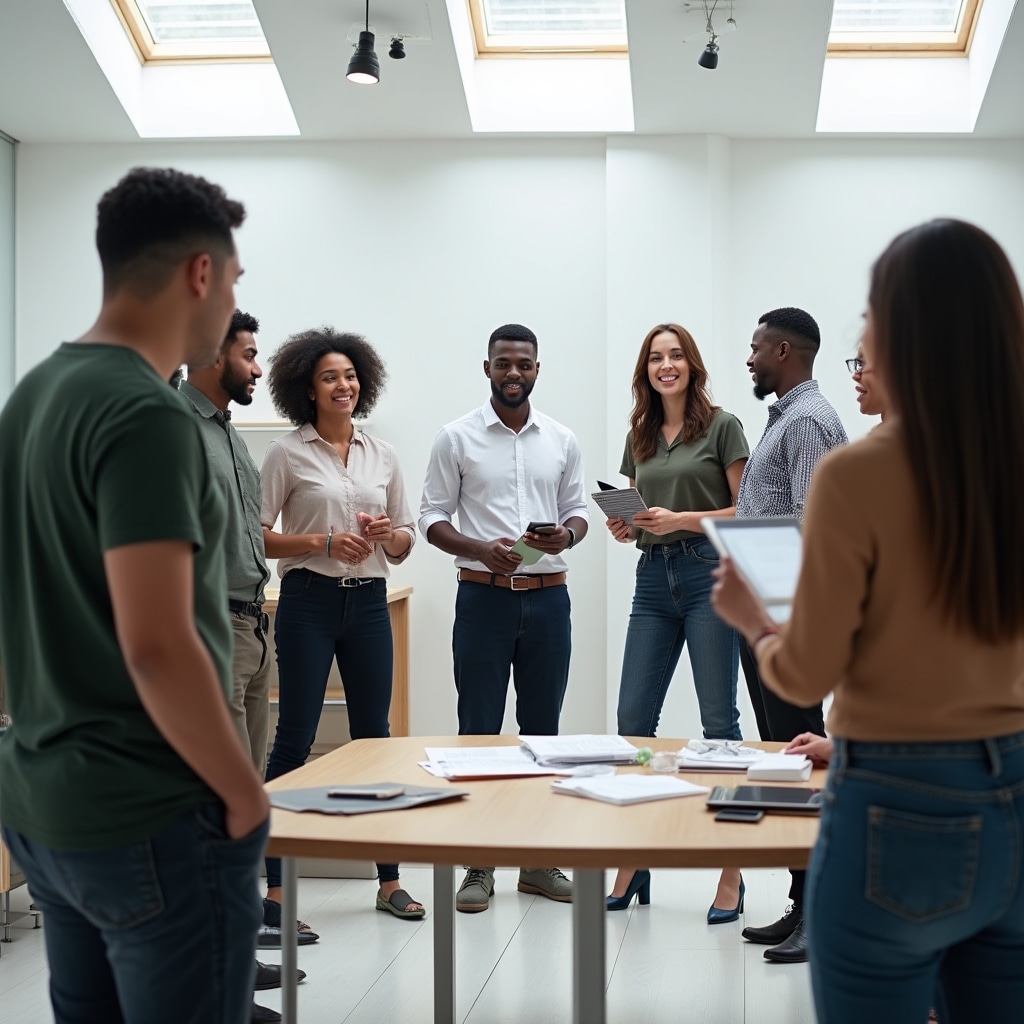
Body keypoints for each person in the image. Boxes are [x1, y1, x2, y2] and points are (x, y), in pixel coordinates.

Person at [712, 218, 1024, 1023]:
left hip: (897, 800)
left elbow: (807, 673)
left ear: (901, 328)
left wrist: (753, 619)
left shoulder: (861, 473)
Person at [0, 167, 270, 1024]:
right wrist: (245, 791)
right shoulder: (146, 413)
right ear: (201, 273)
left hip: (45, 803)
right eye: (232, 282)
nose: (231, 304)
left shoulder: (32, 396)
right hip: (150, 810)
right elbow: (155, 643)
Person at [419, 323, 589, 913]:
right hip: (483, 598)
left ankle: (539, 862)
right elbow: (432, 516)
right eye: (503, 364)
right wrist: (476, 547)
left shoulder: (561, 439)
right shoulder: (456, 438)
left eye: (524, 364)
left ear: (537, 369)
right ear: (486, 368)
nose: (514, 373)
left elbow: (577, 512)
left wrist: (566, 533)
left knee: (544, 734)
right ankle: (480, 864)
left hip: (549, 599)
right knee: (479, 734)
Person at [260, 327, 424, 922]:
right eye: (330, 376)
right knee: (295, 738)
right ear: (307, 387)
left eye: (351, 375)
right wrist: (320, 540)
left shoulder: (383, 453)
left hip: (370, 603)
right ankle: (276, 890)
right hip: (307, 600)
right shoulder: (287, 452)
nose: (344, 385)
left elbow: (406, 538)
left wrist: (389, 536)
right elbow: (258, 533)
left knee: (374, 739)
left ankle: (388, 881)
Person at [181, 311, 306, 1020]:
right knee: (213, 802)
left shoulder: (226, 428)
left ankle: (231, 955)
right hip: (212, 626)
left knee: (245, 798)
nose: (259, 369)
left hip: (253, 620)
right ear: (212, 352)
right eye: (250, 355)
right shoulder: (172, 425)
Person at [605, 323, 749, 921]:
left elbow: (744, 513)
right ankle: (634, 860)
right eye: (656, 358)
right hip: (651, 579)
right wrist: (627, 524)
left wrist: (681, 519)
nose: (667, 366)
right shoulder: (639, 433)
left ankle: (732, 872)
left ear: (692, 365)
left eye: (676, 356)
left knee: (719, 722)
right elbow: (638, 507)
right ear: (647, 371)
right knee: (634, 720)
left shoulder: (722, 425)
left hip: (706, 577)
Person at [734, 306, 848, 964]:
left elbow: (814, 527)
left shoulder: (808, 421)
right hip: (767, 615)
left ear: (784, 350)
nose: (749, 358)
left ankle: (818, 914)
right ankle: (801, 904)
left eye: (756, 349)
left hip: (790, 620)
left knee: (805, 763)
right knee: (788, 759)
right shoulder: (786, 417)